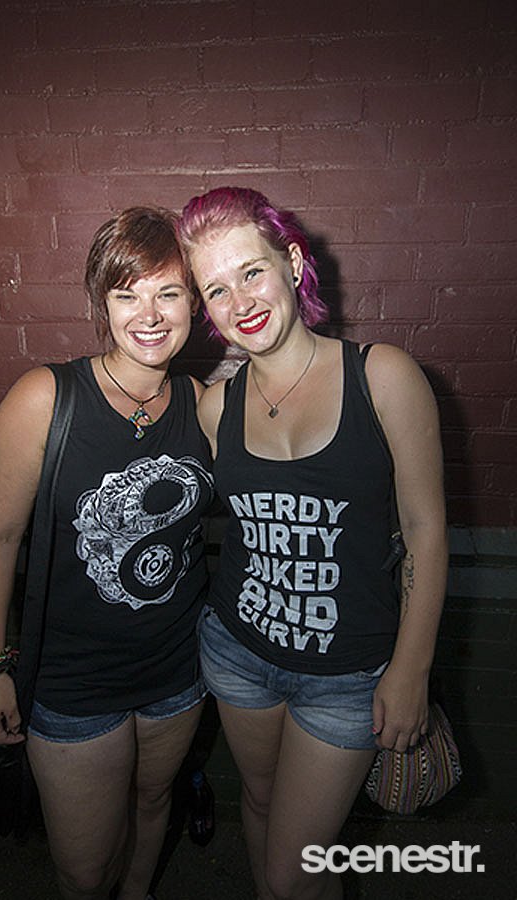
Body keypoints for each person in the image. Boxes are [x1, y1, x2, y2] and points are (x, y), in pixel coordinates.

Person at [178, 187, 448, 900]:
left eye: (252, 272)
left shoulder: (384, 376)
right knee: (261, 804)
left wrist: (412, 668)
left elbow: (425, 529)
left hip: (348, 676)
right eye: (216, 290)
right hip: (238, 653)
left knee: (295, 873)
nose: (240, 302)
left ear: (293, 264)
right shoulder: (216, 406)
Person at [0, 207, 214, 900]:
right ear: (101, 304)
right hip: (73, 683)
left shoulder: (203, 403)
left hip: (177, 670)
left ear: (194, 304)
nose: (150, 315)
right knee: (82, 870)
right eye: (127, 294)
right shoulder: (45, 398)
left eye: (168, 293)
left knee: (152, 805)